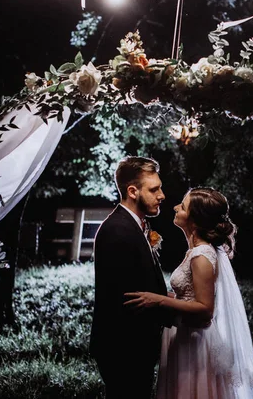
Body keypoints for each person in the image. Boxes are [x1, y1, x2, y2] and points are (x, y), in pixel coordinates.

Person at [124, 187, 253, 399]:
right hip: (185, 336)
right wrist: (157, 294)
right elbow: (188, 296)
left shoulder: (202, 256)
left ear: (195, 220)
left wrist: (159, 300)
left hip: (196, 344)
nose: (176, 207)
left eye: (183, 206)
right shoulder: (195, 251)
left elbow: (205, 309)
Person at [89, 156, 174, 399]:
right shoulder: (118, 231)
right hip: (124, 348)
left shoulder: (133, 225)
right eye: (154, 189)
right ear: (132, 191)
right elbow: (129, 299)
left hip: (132, 346)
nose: (162, 195)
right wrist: (184, 310)